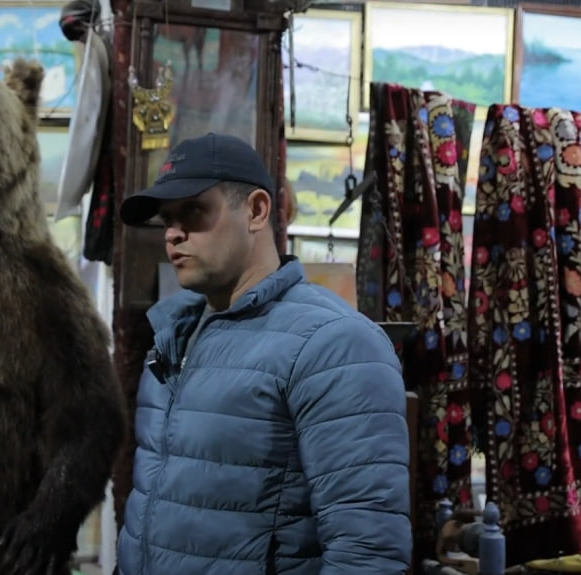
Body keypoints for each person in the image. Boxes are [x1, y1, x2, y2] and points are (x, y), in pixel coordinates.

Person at [115, 133, 411, 574]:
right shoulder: (172, 338)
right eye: (167, 219)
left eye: (193, 211)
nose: (173, 234)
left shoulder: (334, 345)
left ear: (255, 211)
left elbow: (366, 553)